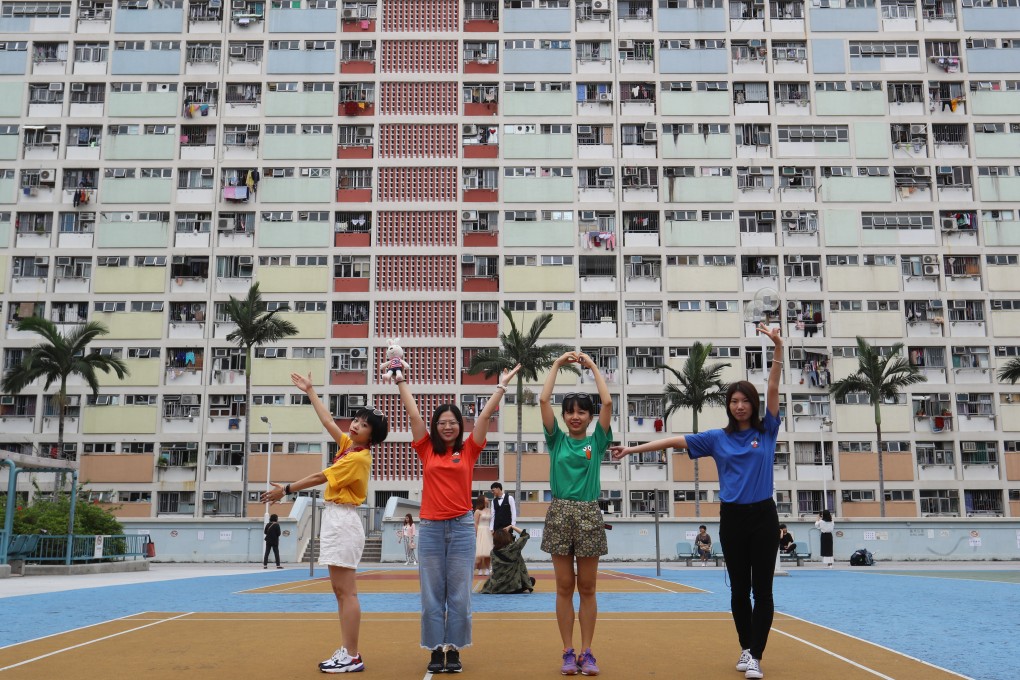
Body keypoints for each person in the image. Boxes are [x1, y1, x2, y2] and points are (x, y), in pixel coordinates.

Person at [610, 322, 784, 680]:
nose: (739, 406)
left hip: (764, 516)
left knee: (762, 589)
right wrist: (632, 449)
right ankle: (746, 648)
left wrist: (778, 348)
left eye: (745, 401)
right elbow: (674, 441)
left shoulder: (767, 431)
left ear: (753, 405)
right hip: (733, 518)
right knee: (738, 589)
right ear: (728, 405)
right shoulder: (716, 438)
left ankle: (756, 655)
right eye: (734, 401)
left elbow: (773, 386)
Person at [395, 362, 521, 675]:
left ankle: (454, 649)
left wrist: (501, 387)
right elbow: (413, 416)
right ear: (435, 426)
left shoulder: (468, 451)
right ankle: (437, 650)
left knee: (460, 595)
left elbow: (484, 418)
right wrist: (400, 382)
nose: (447, 426)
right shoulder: (426, 449)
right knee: (432, 594)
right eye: (442, 422)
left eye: (452, 422)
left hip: (463, 528)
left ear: (458, 426)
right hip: (432, 529)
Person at [260, 372, 388, 674]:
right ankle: (347, 651)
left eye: (364, 424)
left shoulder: (357, 458)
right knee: (340, 591)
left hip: (343, 520)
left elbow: (321, 476)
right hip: (336, 518)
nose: (356, 425)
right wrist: (311, 391)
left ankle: (353, 655)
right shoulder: (351, 447)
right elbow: (330, 423)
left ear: (372, 436)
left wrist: (287, 489)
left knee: (347, 592)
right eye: (357, 419)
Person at [539, 350, 613, 677]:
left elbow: (608, 404)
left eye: (582, 412)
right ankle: (567, 652)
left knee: (588, 587)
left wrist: (592, 366)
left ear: (589, 416)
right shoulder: (556, 440)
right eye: (570, 412)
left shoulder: (597, 441)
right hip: (559, 513)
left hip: (588, 514)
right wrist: (557, 364)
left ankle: (588, 652)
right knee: (564, 585)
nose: (576, 417)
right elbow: (543, 401)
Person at [480, 526, 535, 594]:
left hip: (496, 588)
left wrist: (495, 534)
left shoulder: (493, 552)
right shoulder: (514, 548)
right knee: (531, 580)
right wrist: (512, 527)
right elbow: (526, 535)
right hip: (513, 588)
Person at [473, 495, 493, 576]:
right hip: (481, 531)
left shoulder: (490, 510)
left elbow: (492, 521)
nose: (487, 499)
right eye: (485, 498)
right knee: (481, 551)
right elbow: (475, 523)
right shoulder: (477, 511)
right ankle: (480, 568)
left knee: (488, 551)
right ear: (482, 500)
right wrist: (477, 533)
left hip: (488, 531)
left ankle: (487, 568)